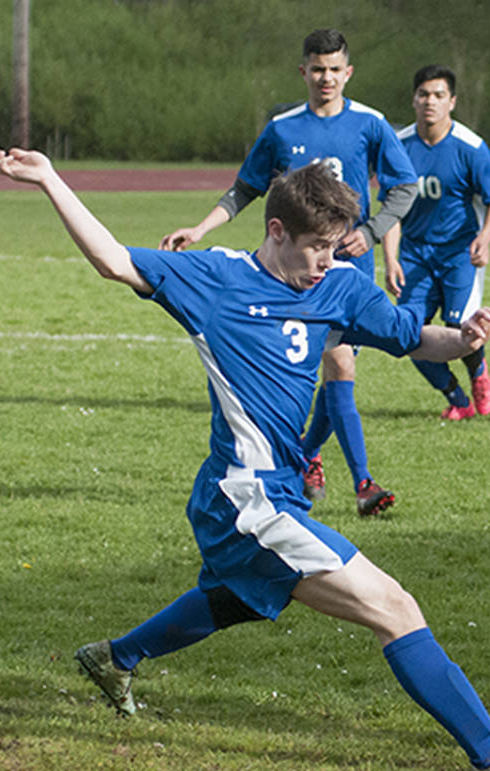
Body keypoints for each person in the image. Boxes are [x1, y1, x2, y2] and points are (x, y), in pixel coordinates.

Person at [0, 144, 490, 771]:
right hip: (245, 500)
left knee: (232, 598)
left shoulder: (340, 284)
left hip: (273, 493)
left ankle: (116, 658)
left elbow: (414, 339)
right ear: (276, 231)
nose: (328, 262)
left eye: (336, 246)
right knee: (395, 607)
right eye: (316, 247)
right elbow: (111, 259)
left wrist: (460, 339)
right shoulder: (216, 280)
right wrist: (49, 177)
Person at [160, 28, 417, 516]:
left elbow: (402, 187)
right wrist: (200, 226)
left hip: (345, 275)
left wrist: (374, 228)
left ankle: (322, 464)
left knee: (339, 369)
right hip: (288, 277)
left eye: (334, 69)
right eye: (317, 69)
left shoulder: (371, 124)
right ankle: (345, 475)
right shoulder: (282, 129)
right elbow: (243, 189)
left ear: (348, 73)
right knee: (331, 370)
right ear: (304, 72)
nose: (326, 78)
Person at [382, 65, 490, 420]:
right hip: (415, 255)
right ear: (413, 100)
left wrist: (485, 237)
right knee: (407, 335)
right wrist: (391, 259)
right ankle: (457, 397)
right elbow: (392, 210)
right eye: (423, 95)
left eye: (438, 95)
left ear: (451, 101)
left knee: (458, 329)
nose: (429, 102)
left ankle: (478, 371)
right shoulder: (399, 146)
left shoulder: (471, 146)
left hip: (458, 253)